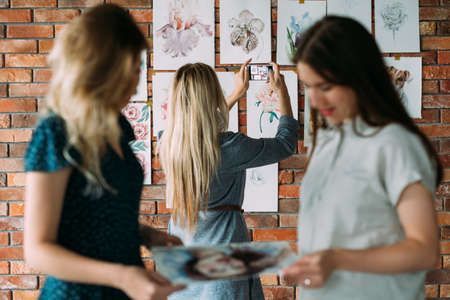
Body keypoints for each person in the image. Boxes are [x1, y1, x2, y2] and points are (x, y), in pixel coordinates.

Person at [24, 4, 183, 300]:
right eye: (134, 68)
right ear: (104, 69)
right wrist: (122, 276)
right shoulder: (55, 134)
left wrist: (147, 235)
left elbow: (98, 214)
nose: (138, 81)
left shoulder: (119, 126)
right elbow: (37, 250)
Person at [281, 16, 442, 300]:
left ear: (358, 76)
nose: (315, 101)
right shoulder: (326, 143)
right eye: (308, 86)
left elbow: (424, 250)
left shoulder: (395, 144)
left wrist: (337, 260)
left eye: (326, 86)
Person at [158, 61, 299, 300]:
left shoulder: (167, 143)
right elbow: (285, 143)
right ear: (212, 95)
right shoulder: (230, 147)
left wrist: (236, 94)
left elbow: (200, 129)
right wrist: (281, 91)